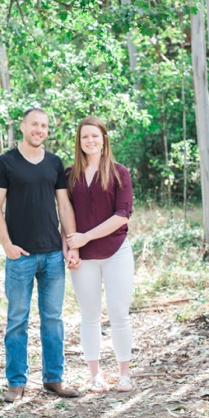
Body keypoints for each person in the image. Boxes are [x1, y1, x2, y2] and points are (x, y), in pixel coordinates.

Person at [0, 108, 82, 403]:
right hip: (21, 256)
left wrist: (72, 244)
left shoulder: (54, 163)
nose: (39, 129)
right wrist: (8, 247)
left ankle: (53, 379)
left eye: (44, 126)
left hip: (53, 254)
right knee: (17, 319)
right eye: (34, 124)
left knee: (53, 319)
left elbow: (64, 207)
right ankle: (16, 382)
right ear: (23, 126)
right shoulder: (6, 163)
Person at [65, 116, 135, 393]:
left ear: (104, 139)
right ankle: (95, 375)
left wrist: (86, 236)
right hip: (84, 257)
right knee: (89, 315)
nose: (90, 141)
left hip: (116, 250)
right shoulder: (70, 176)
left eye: (94, 136)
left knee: (119, 313)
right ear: (79, 142)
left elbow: (122, 215)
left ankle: (124, 374)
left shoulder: (119, 172)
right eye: (84, 137)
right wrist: (71, 248)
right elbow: (65, 217)